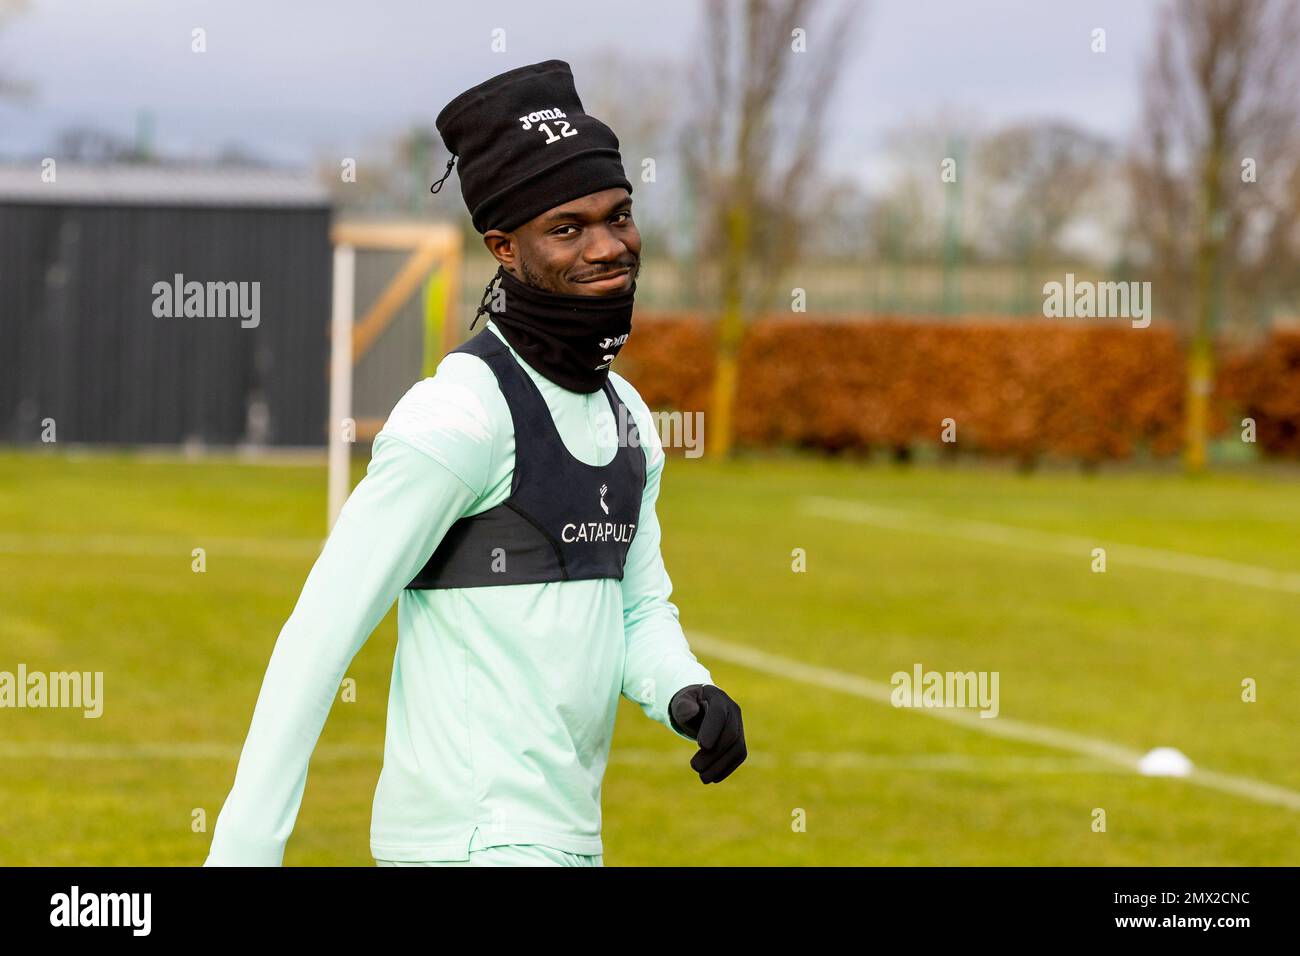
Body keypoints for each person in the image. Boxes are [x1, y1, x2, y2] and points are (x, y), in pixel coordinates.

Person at [204, 59, 746, 868]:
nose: (608, 247)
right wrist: (243, 852)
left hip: (563, 839)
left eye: (619, 216)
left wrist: (682, 689)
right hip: (468, 842)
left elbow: (637, 610)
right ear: (503, 246)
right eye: (568, 228)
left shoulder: (627, 417)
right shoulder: (461, 415)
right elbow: (319, 636)